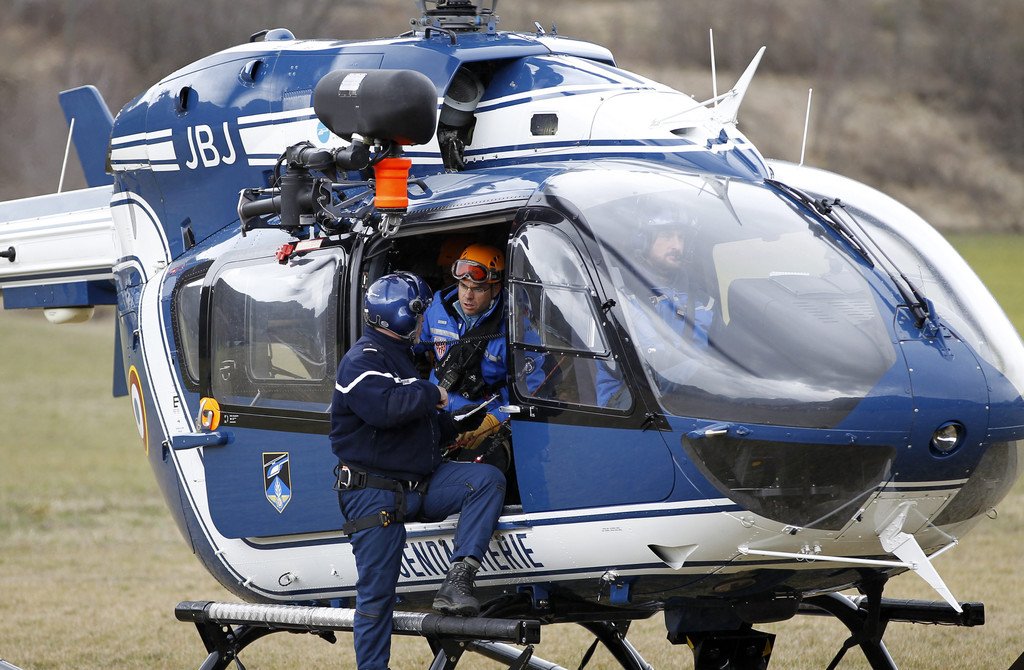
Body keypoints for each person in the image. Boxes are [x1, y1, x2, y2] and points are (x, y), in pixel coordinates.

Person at [330, 271, 505, 670]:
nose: (425, 319)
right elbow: (386, 408)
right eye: (421, 312)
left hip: (419, 484)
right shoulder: (362, 360)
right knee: (377, 596)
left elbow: (420, 420)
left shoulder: (400, 358)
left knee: (485, 481)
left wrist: (462, 427)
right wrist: (431, 392)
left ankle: (458, 579)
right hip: (373, 493)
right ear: (405, 316)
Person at [595, 212, 714, 406]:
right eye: (667, 235)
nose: (677, 246)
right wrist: (715, 377)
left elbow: (714, 351)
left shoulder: (701, 300)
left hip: (689, 399)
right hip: (632, 405)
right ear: (642, 241)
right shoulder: (619, 296)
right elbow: (654, 364)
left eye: (681, 237)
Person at [420, 243, 514, 469]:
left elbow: (532, 389)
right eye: (463, 285)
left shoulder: (513, 326)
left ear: (495, 289)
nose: (468, 296)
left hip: (481, 422)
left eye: (478, 289)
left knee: (482, 473)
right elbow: (412, 349)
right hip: (435, 413)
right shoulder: (437, 308)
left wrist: (495, 420)